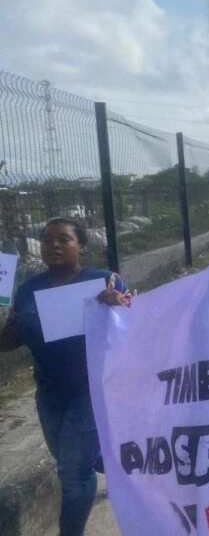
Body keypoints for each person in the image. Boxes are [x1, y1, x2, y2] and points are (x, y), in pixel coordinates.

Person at [0, 217, 131, 536]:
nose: (53, 246)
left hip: (91, 389)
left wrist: (118, 306)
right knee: (72, 457)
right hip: (49, 394)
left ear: (81, 245)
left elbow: (134, 325)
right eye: (46, 240)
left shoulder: (104, 281)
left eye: (63, 239)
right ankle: (110, 466)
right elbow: (9, 342)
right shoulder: (30, 289)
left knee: (73, 474)